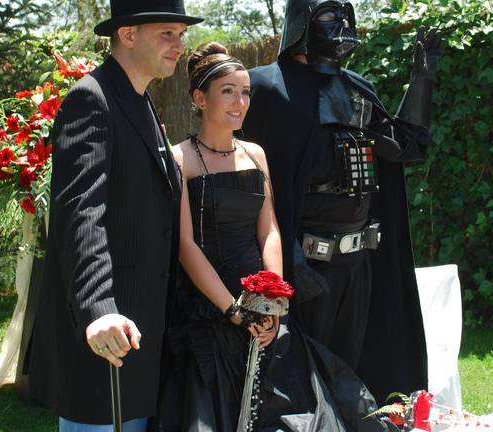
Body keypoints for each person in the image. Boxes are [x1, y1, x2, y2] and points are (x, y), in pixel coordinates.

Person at [162, 42, 384, 432]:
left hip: (261, 301)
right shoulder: (180, 159)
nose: (240, 102)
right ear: (200, 98)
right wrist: (233, 310)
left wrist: (273, 300)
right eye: (228, 91)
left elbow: (270, 229)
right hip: (209, 303)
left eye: (245, 91)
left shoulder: (256, 154)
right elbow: (184, 245)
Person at [241, 0, 444, 403]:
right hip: (301, 266)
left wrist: (422, 80)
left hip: (358, 265)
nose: (343, 24)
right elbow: (246, 182)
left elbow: (404, 147)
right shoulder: (263, 88)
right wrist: (287, 261)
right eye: (330, 14)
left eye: (346, 14)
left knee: (352, 378)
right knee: (296, 387)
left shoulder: (356, 87)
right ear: (302, 21)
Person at [27, 0, 202, 431]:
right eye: (167, 33)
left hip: (141, 331)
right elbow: (80, 213)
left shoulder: (140, 101)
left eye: (181, 34)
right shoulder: (92, 100)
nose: (178, 45)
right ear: (127, 34)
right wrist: (99, 310)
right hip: (105, 334)